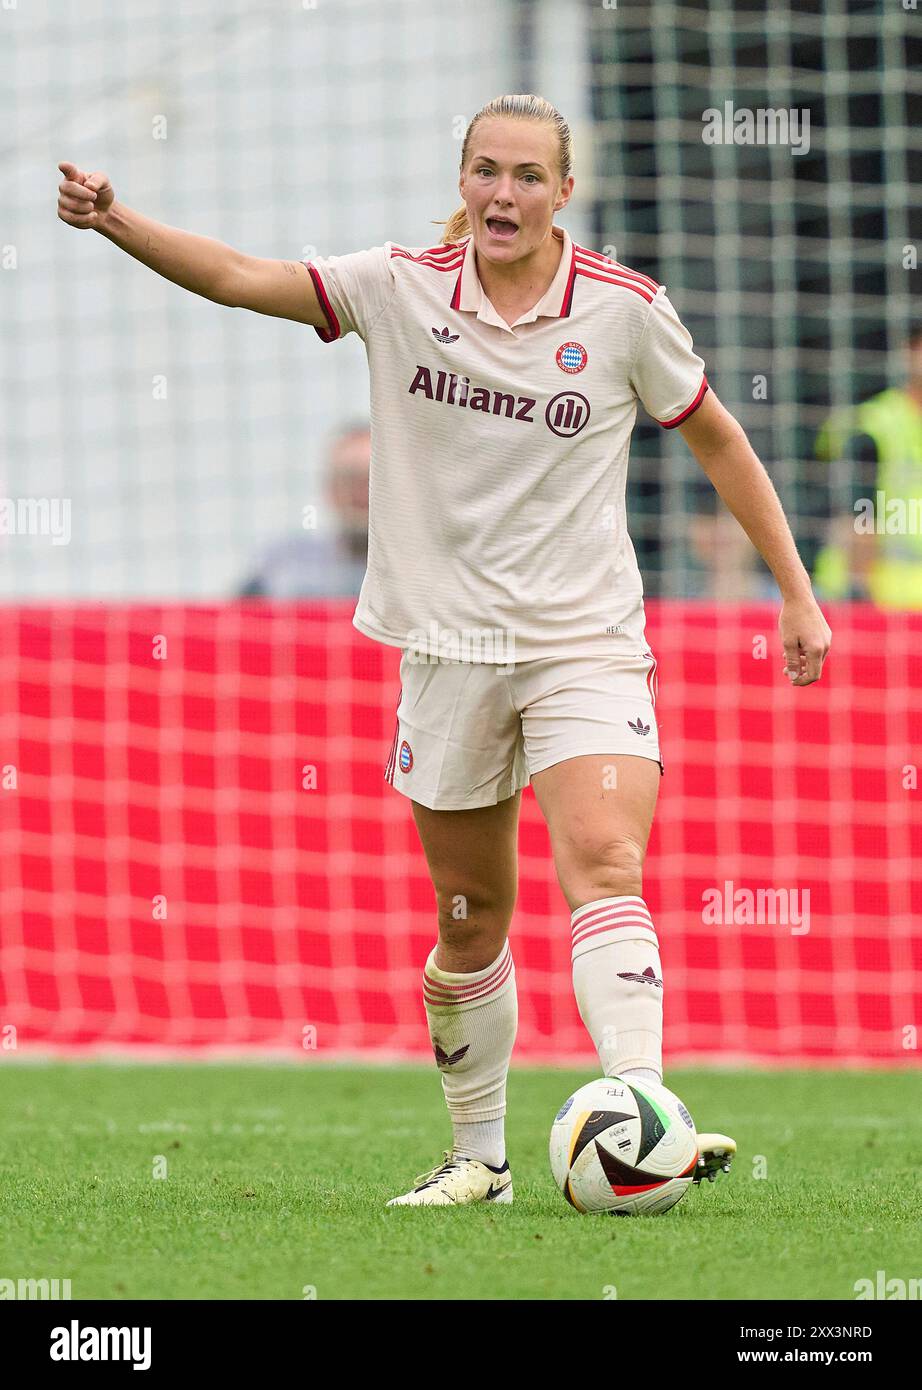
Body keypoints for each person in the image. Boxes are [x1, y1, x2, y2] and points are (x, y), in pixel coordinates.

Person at [57, 92, 830, 1210]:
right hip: (448, 651)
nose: (503, 195)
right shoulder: (397, 284)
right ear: (462, 179)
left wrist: (795, 594)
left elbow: (716, 433)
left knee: (605, 860)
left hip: (584, 641)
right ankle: (482, 1159)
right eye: (485, 171)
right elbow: (238, 275)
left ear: (565, 192)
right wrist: (118, 219)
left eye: (526, 176)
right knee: (469, 918)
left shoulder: (623, 311)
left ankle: (641, 1108)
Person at [811, 325, 922, 607]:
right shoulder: (874, 427)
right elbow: (857, 519)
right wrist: (859, 592)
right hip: (876, 603)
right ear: (909, 351)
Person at [238, 422, 370, 598]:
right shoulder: (284, 564)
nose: (362, 492)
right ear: (330, 489)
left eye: (371, 478)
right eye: (350, 479)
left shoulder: (415, 569)